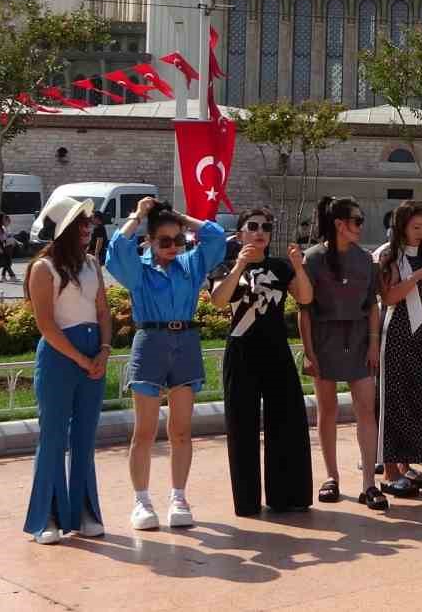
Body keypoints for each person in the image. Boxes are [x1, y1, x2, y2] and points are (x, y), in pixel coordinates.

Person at [105, 198, 226, 529]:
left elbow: (216, 237)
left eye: (178, 240)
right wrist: (140, 215)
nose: (173, 247)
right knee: (144, 431)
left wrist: (181, 217)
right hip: (151, 341)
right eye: (164, 241)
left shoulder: (191, 264)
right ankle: (141, 501)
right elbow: (116, 249)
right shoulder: (139, 270)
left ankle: (178, 496)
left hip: (185, 341)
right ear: (150, 241)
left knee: (181, 430)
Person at [206, 208, 315, 516]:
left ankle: (287, 497)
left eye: (265, 227)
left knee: (287, 422)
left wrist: (298, 267)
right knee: (242, 426)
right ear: (240, 232)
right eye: (252, 227)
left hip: (276, 352)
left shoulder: (280, 267)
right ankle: (247, 501)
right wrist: (240, 265)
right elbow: (218, 300)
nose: (259, 232)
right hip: (241, 353)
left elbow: (305, 298)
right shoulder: (225, 265)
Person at [22, 195, 110, 544]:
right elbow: (46, 325)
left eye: (89, 222)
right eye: (81, 223)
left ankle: (85, 511)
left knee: (85, 436)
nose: (88, 228)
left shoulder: (91, 263)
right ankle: (49, 516)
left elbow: (102, 310)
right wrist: (81, 358)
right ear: (64, 230)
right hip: (61, 356)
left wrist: (103, 350)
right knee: (54, 436)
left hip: (91, 351)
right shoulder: (43, 269)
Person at [300, 196, 388, 510]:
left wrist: (375, 343)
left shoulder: (365, 260)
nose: (361, 227)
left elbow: (373, 304)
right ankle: (331, 477)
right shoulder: (312, 259)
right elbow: (305, 310)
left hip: (359, 337)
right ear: (339, 224)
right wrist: (309, 352)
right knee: (327, 410)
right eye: (357, 220)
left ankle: (369, 484)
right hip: (324, 337)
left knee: (366, 409)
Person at [375, 200, 422, 497]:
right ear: (402, 227)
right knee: (393, 399)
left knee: (415, 398)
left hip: (421, 335)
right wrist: (417, 276)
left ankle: (406, 464)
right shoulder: (390, 256)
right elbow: (389, 297)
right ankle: (390, 469)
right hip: (396, 332)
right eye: (416, 227)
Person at [0, 214, 18, 282]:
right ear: (0, 219)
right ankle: (12, 276)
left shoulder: (1, 227)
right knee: (6, 262)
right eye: (3, 218)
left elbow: (3, 237)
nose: (4, 220)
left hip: (1, 245)